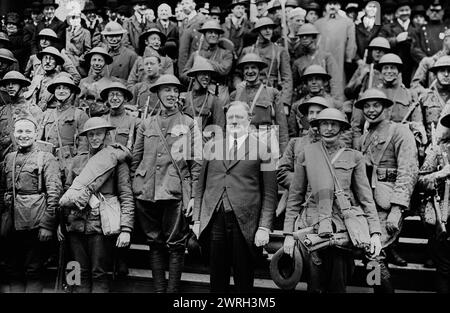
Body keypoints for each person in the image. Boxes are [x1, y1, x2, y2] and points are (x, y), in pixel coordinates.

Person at [283, 107, 382, 293]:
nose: (328, 128)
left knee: (338, 284)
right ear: (317, 128)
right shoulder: (306, 154)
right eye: (324, 124)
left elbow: (366, 198)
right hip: (312, 227)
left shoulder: (354, 157)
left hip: (341, 229)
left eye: (334, 124)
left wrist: (375, 232)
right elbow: (295, 197)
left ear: (341, 128)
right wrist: (288, 234)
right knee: (314, 284)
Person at [193, 100, 277, 292]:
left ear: (249, 120)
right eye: (230, 117)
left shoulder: (264, 149)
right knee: (217, 276)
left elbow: (270, 194)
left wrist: (264, 227)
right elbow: (201, 187)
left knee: (243, 276)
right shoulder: (212, 147)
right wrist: (197, 219)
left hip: (245, 222)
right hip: (215, 218)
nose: (234, 121)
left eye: (239, 117)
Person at [131, 74, 202, 293]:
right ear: (158, 93)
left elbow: (196, 164)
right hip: (146, 192)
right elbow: (136, 158)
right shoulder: (146, 123)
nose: (172, 95)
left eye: (175, 90)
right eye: (166, 90)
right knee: (154, 243)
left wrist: (193, 198)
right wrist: (137, 185)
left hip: (174, 191)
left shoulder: (188, 123)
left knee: (176, 245)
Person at [355, 88, 419, 292]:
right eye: (366, 106)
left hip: (388, 202)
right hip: (368, 202)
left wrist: (397, 209)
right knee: (372, 254)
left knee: (374, 253)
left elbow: (408, 170)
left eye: (376, 105)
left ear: (385, 107)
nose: (371, 110)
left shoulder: (400, 131)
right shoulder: (366, 136)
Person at [62, 117, 135, 292]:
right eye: (91, 134)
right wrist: (62, 223)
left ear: (105, 135)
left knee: (99, 273)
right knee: (79, 272)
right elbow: (67, 190)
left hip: (101, 225)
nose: (95, 138)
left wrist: (126, 229)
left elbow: (126, 195)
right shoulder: (78, 160)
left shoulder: (116, 159)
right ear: (86, 137)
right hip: (76, 224)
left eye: (99, 134)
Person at [0, 115, 62, 292]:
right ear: (13, 134)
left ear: (36, 134)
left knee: (33, 270)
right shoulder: (9, 158)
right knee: (12, 269)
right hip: (10, 223)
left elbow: (54, 193)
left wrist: (47, 225)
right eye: (19, 131)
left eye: (28, 131)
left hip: (34, 222)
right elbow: (2, 190)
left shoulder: (46, 158)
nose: (23, 135)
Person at [230, 53, 289, 154]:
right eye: (246, 68)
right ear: (243, 72)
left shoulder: (272, 93)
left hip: (266, 140)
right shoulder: (235, 94)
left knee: (268, 169)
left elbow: (282, 125)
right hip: (244, 141)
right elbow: (231, 124)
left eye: (253, 68)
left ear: (259, 70)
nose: (250, 71)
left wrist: (284, 151)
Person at [419, 111, 450, 293]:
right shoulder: (438, 152)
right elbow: (420, 182)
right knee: (445, 270)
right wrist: (441, 173)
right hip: (444, 217)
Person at [38, 75, 89, 182]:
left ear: (71, 92)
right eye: (58, 88)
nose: (61, 91)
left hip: (69, 165)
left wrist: (76, 170)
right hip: (49, 164)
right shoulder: (47, 114)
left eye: (65, 88)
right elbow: (39, 141)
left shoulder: (79, 115)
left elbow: (83, 148)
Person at [278, 96, 334, 192]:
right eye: (311, 113)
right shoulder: (295, 143)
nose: (314, 116)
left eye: (319, 112)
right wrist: (302, 185)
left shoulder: (336, 144)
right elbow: (282, 171)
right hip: (297, 197)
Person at [241, 17, 292, 115]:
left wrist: (284, 103)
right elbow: (238, 74)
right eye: (264, 28)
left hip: (271, 93)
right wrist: (240, 88)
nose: (268, 31)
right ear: (258, 31)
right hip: (250, 92)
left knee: (271, 125)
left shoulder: (280, 51)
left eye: (270, 28)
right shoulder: (247, 51)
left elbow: (287, 78)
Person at [182, 20, 233, 105]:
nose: (213, 35)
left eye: (216, 33)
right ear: (204, 35)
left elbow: (224, 70)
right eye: (210, 32)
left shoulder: (226, 53)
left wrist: (203, 62)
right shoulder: (196, 54)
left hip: (219, 90)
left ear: (219, 35)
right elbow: (184, 75)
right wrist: (196, 75)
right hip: (199, 91)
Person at [292, 24, 342, 102]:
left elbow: (334, 82)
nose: (304, 38)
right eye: (302, 36)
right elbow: (294, 84)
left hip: (324, 97)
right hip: (306, 98)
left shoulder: (326, 57)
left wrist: (334, 101)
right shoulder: (298, 62)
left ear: (314, 37)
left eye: (307, 35)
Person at [315, 0, 356, 89]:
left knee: (339, 81)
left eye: (335, 4)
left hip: (339, 57)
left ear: (339, 6)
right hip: (322, 58)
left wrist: (349, 57)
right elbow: (315, 42)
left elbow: (351, 42)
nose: (332, 6)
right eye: (329, 4)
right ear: (325, 6)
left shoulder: (348, 22)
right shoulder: (318, 23)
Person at [182, 55, 225, 134]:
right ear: (195, 75)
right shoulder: (184, 98)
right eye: (203, 73)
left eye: (209, 74)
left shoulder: (214, 101)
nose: (207, 77)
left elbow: (219, 129)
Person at [379, 0, 416, 87]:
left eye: (407, 10)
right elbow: (381, 42)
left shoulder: (417, 27)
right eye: (401, 10)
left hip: (413, 65)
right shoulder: (387, 27)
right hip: (395, 65)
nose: (405, 13)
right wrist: (396, 40)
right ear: (396, 13)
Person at [78, 47, 120, 117]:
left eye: (100, 60)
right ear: (90, 62)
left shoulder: (113, 82)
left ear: (105, 63)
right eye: (94, 60)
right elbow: (77, 104)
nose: (97, 63)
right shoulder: (83, 82)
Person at [99, 82, 140, 150]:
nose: (114, 98)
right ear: (107, 99)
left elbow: (138, 148)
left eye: (118, 95)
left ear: (125, 99)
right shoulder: (101, 121)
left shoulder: (135, 122)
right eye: (111, 95)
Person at [411, 0, 450, 65]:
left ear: (442, 12)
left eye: (438, 11)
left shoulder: (448, 28)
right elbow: (415, 49)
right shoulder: (420, 30)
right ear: (427, 12)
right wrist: (428, 60)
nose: (434, 13)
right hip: (426, 64)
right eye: (432, 11)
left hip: (445, 64)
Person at [178, 0, 207, 74]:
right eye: (182, 4)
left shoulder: (200, 20)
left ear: (194, 5)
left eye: (187, 3)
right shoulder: (184, 21)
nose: (184, 6)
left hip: (193, 62)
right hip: (184, 60)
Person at [65, 9, 91, 77]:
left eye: (76, 17)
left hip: (78, 64)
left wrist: (80, 60)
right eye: (72, 17)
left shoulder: (85, 32)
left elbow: (88, 50)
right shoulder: (66, 31)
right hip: (66, 63)